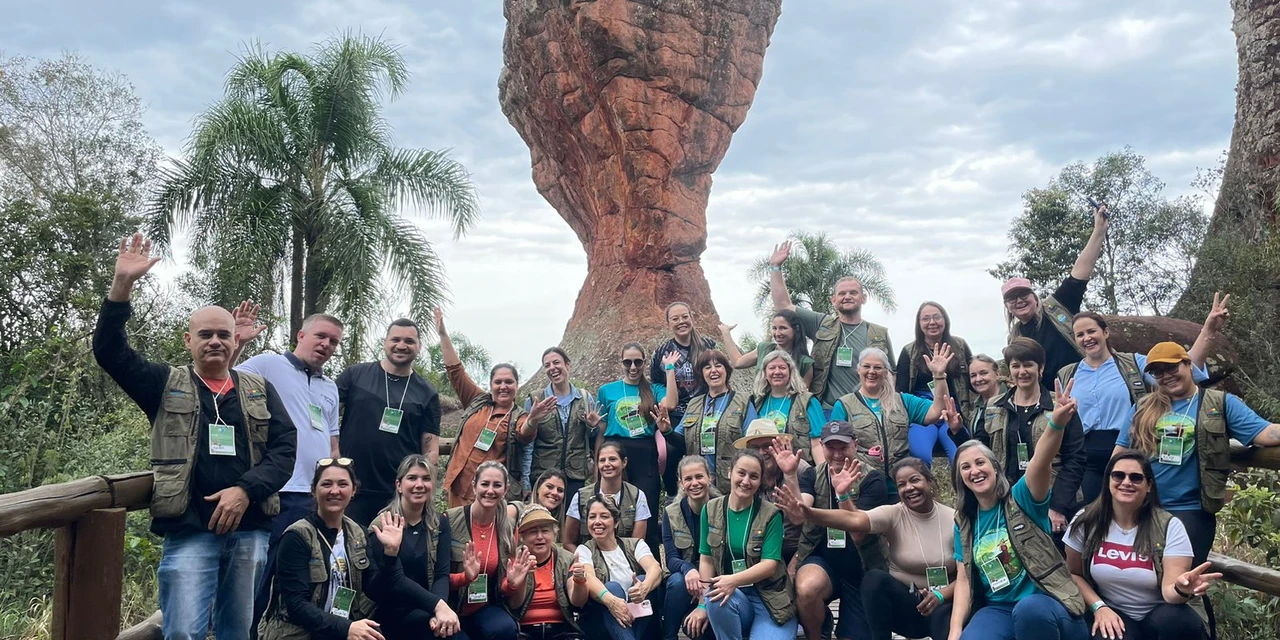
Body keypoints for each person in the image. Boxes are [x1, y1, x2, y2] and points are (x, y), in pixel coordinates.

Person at [93, 233, 296, 640]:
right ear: (189, 340)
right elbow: (110, 352)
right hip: (190, 531)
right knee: (183, 631)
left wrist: (245, 490)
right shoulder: (164, 384)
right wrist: (122, 285)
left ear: (235, 341)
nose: (215, 341)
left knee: (237, 631)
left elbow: (285, 448)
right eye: (206, 335)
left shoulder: (258, 389)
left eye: (223, 334)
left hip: (250, 529)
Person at [1115, 341, 1280, 564]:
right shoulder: (1142, 408)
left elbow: (1265, 432)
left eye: (1171, 367)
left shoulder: (1219, 404)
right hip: (1143, 507)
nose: (1166, 376)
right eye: (1158, 372)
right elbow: (1119, 455)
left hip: (1191, 511)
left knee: (1182, 577)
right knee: (1144, 576)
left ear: (1188, 364)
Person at [233, 308, 344, 637]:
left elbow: (332, 443)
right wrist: (237, 342)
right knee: (258, 577)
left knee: (303, 579)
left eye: (334, 341)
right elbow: (223, 379)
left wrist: (337, 486)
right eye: (321, 336)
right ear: (301, 335)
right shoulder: (268, 365)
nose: (326, 344)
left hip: (313, 498)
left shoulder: (330, 387)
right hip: (275, 493)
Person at [949, 381, 1088, 640]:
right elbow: (964, 580)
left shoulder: (1022, 498)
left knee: (1029, 610)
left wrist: (1056, 423)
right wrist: (954, 631)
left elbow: (1040, 462)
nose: (975, 471)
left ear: (995, 467)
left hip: (1047, 601)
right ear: (960, 478)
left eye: (980, 462)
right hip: (999, 609)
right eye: (965, 467)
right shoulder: (964, 520)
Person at [774, 455, 958, 640]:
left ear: (930, 482)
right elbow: (854, 520)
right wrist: (811, 511)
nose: (909, 488)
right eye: (902, 484)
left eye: (915, 480)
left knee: (945, 618)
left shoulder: (954, 519)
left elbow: (967, 577)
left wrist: (940, 595)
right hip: (905, 603)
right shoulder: (894, 513)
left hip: (943, 603)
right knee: (874, 579)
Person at [1060, 304, 1219, 506]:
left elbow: (1186, 369)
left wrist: (1208, 330)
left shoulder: (1134, 363)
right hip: (1085, 457)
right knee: (1088, 513)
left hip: (1129, 448)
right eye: (1080, 335)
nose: (1087, 338)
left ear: (1106, 332)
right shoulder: (1067, 374)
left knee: (1130, 512)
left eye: (1091, 331)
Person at [1064, 451, 1217, 640]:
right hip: (1113, 612)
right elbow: (1074, 574)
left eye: (1136, 478)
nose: (1126, 482)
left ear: (1149, 485)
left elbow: (1170, 594)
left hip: (1162, 614)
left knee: (1173, 620)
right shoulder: (1086, 521)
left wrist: (1181, 589)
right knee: (1108, 634)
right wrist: (1099, 607)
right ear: (1108, 481)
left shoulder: (1169, 526)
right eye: (1118, 475)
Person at [950, 338, 1086, 537]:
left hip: (1050, 503)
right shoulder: (993, 406)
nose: (1022, 371)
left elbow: (1076, 458)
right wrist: (957, 431)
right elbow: (980, 452)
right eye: (1016, 366)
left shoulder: (1060, 406)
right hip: (1007, 501)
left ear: (1040, 368)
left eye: (1028, 365)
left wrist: (1058, 506)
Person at [258, 459, 405, 640]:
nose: (335, 491)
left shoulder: (358, 533)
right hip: (299, 633)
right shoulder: (296, 536)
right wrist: (346, 628)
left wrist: (390, 554)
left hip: (341, 629)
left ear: (353, 490)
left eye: (343, 484)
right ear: (313, 491)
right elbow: (296, 605)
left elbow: (375, 590)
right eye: (326, 484)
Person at [775, 423, 889, 640]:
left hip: (862, 568)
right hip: (822, 560)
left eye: (843, 447)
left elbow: (858, 533)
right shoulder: (812, 474)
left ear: (855, 445)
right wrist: (790, 475)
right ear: (821, 446)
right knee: (807, 587)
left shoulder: (873, 479)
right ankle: (817, 635)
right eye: (831, 447)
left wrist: (843, 495)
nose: (837, 454)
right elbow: (799, 515)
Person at [438, 310, 555, 507]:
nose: (503, 386)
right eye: (498, 382)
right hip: (458, 486)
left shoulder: (518, 416)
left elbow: (524, 433)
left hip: (489, 495)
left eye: (509, 382)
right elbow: (456, 372)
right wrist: (443, 334)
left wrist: (533, 419)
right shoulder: (477, 401)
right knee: (454, 526)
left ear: (517, 386)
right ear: (490, 384)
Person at [337, 318, 441, 527]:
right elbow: (327, 419)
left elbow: (430, 447)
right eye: (396, 339)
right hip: (351, 485)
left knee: (391, 545)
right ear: (385, 342)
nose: (401, 346)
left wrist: (422, 486)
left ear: (419, 346)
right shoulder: (355, 376)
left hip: (398, 493)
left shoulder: (427, 393)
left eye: (409, 341)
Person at [767, 240, 894, 409]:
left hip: (867, 409)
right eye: (842, 293)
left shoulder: (879, 333)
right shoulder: (821, 323)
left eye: (853, 293)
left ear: (863, 298)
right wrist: (775, 268)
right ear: (833, 300)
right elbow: (783, 307)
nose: (847, 296)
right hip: (826, 409)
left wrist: (888, 408)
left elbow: (891, 374)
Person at [1001, 200, 1109, 389]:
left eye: (1023, 294)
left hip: (1088, 385)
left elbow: (1080, 272)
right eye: (1012, 298)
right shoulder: (1015, 337)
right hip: (1050, 399)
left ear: (1034, 297)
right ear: (1007, 307)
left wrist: (1099, 230)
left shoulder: (1057, 306)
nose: (1019, 301)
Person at [698, 450, 799, 640]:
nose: (746, 481)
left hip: (769, 599)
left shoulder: (771, 514)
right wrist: (702, 603)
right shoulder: (710, 510)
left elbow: (769, 565)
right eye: (741, 473)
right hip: (733, 597)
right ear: (730, 472)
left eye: (753, 476)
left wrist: (733, 580)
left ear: (760, 481)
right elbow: (707, 559)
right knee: (714, 594)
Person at [367, 455, 461, 639]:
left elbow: (442, 574)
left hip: (427, 607)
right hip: (390, 608)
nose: (419, 484)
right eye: (412, 478)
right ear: (399, 485)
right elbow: (396, 580)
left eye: (426, 479)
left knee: (447, 628)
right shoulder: (383, 525)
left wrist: (438, 612)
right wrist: (437, 606)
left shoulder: (439, 523)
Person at [594, 342, 678, 546]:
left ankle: (649, 560)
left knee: (647, 512)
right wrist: (597, 464)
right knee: (611, 509)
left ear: (644, 363)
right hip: (614, 450)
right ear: (621, 363)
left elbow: (671, 403)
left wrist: (669, 369)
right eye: (628, 362)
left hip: (644, 453)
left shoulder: (654, 389)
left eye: (638, 362)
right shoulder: (607, 391)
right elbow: (601, 432)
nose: (633, 367)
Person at [830, 346, 950, 486]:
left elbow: (937, 410)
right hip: (863, 484)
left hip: (900, 485)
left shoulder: (903, 401)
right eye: (866, 366)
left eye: (878, 367)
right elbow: (834, 447)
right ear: (858, 369)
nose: (871, 371)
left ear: (886, 372)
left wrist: (939, 375)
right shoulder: (844, 405)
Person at [446, 461, 521, 640]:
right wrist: (465, 577)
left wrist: (511, 584)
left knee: (505, 628)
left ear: (505, 489)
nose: (490, 490)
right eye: (485, 484)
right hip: (449, 606)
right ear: (474, 486)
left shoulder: (508, 527)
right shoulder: (449, 520)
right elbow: (435, 576)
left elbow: (503, 586)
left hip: (482, 607)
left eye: (497, 485)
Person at [575, 495, 665, 640]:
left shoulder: (635, 544)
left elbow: (655, 568)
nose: (597, 522)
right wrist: (612, 602)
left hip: (639, 618)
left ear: (616, 522)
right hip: (602, 621)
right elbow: (589, 578)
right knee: (612, 587)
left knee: (643, 579)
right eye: (592, 517)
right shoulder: (584, 550)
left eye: (604, 516)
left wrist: (644, 588)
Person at [895, 301, 974, 465]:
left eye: (937, 317)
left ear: (945, 319)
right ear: (919, 324)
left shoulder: (959, 346)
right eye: (925, 318)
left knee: (961, 457)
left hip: (952, 411)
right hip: (923, 412)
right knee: (919, 458)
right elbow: (900, 391)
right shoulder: (909, 351)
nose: (932, 322)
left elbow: (973, 379)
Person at [651, 302, 717, 494]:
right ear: (668, 323)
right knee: (669, 452)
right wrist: (665, 400)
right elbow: (656, 382)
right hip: (677, 412)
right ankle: (673, 494)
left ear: (692, 318)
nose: (681, 322)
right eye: (675, 318)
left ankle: (710, 492)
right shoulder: (662, 351)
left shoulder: (707, 345)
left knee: (705, 449)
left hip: (704, 410)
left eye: (685, 317)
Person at [522, 347, 597, 500]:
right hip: (543, 476)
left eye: (556, 362)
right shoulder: (535, 400)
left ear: (567, 365)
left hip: (575, 476)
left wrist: (592, 426)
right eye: (547, 365)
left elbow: (592, 440)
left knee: (572, 515)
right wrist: (525, 481)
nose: (552, 368)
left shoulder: (584, 398)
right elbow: (528, 444)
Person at [506, 504, 589, 640]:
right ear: (522, 536)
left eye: (545, 531)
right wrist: (521, 579)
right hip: (523, 631)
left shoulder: (567, 559)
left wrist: (580, 581)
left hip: (560, 630)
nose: (540, 537)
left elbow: (578, 602)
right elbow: (514, 604)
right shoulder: (513, 560)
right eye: (533, 532)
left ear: (554, 534)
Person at [734, 419, 809, 562]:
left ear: (778, 445)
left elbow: (807, 521)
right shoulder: (745, 477)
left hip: (797, 548)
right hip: (758, 551)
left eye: (767, 446)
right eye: (754, 448)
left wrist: (798, 556)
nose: (761, 452)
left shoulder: (800, 470)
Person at [661, 456, 719, 640]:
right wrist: (689, 569)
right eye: (688, 479)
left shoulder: (724, 508)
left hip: (717, 582)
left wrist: (705, 588)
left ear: (710, 478)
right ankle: (669, 636)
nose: (694, 483)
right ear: (681, 483)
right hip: (687, 585)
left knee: (702, 632)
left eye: (699, 476)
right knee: (677, 581)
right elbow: (671, 558)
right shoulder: (671, 513)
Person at [679, 349, 750, 494]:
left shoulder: (743, 401)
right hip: (700, 485)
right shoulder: (694, 404)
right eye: (707, 367)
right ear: (702, 374)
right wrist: (666, 430)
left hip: (731, 483)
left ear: (726, 370)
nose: (713, 370)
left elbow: (751, 442)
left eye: (718, 365)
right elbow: (680, 439)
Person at [564, 440, 651, 550]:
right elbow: (568, 543)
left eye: (612, 459)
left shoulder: (637, 496)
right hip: (587, 558)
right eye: (602, 460)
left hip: (625, 559)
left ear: (624, 462)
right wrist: (583, 559)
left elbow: (637, 544)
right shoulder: (580, 496)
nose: (607, 464)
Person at [746, 350, 827, 464]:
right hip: (764, 468)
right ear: (764, 373)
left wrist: (823, 472)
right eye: (772, 368)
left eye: (782, 367)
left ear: (791, 371)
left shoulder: (808, 401)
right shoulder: (757, 402)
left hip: (798, 468)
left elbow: (817, 443)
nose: (777, 372)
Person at [719, 310, 815, 388]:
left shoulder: (805, 363)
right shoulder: (764, 349)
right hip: (759, 404)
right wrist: (726, 333)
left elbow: (803, 396)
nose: (777, 333)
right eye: (774, 328)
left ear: (795, 329)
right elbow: (737, 362)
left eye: (783, 328)